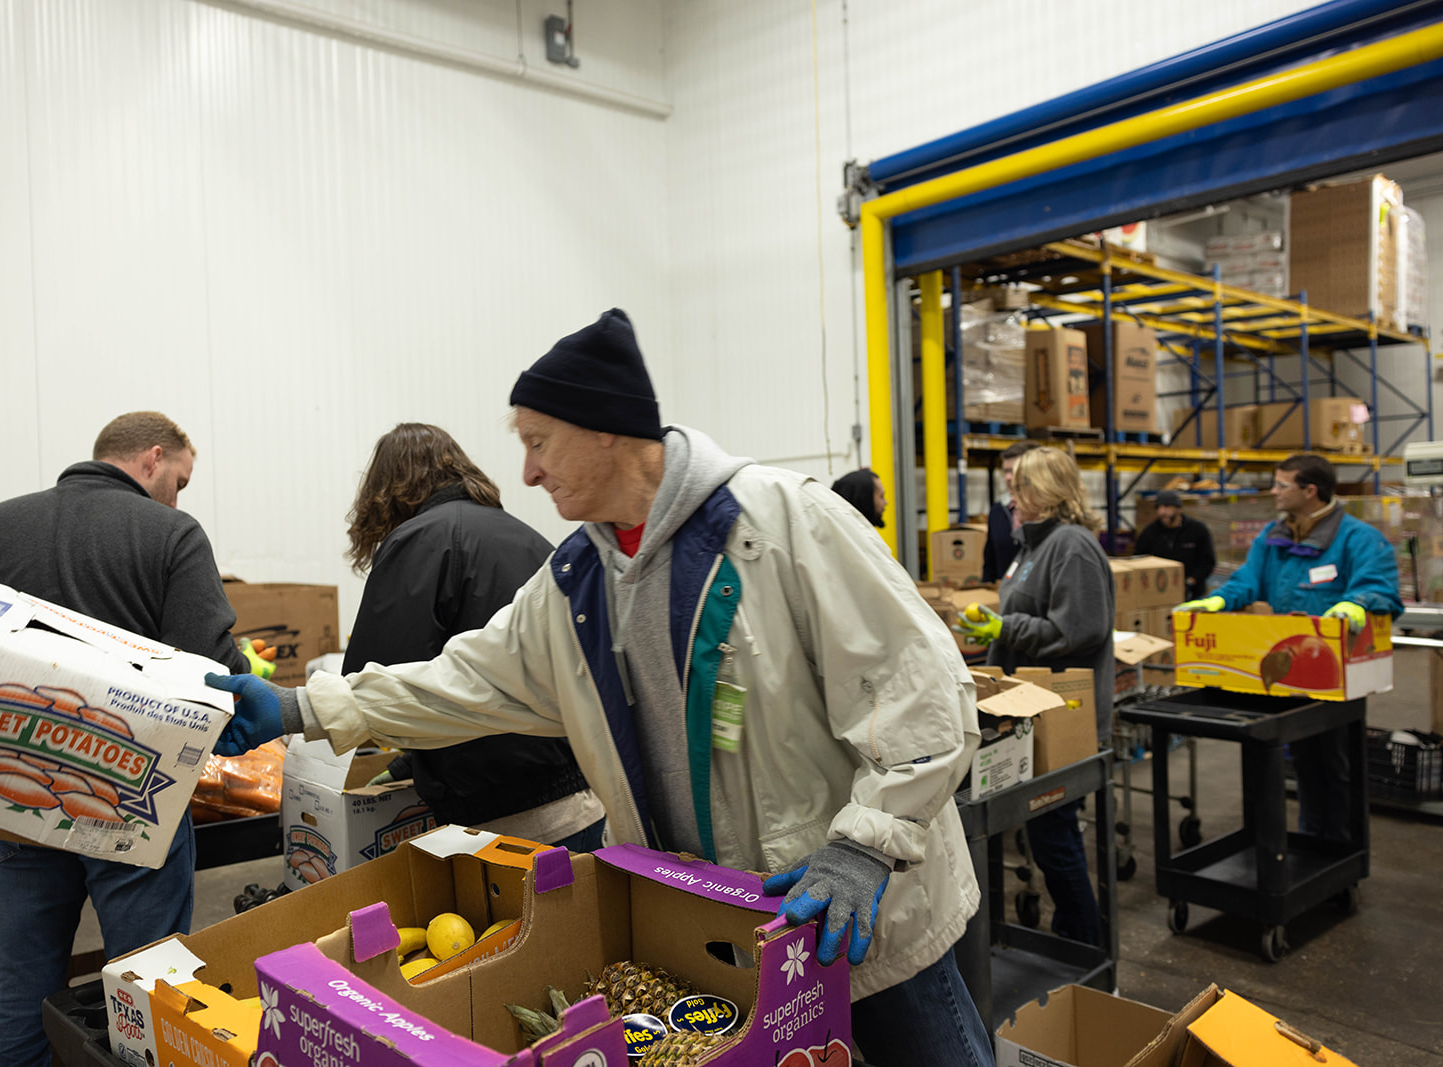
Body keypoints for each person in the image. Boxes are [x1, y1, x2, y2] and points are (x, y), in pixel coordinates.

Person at [210, 309, 992, 1067]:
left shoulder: (782, 523)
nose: (527, 471)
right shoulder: (578, 582)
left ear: (609, 428)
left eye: (540, 441)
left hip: (860, 909)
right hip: (727, 931)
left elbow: (922, 690)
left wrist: (864, 848)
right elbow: (467, 677)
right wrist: (305, 705)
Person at [0, 412, 251, 1067]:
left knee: (17, 993)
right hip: (134, 796)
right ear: (152, 457)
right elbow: (215, 671)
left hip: (18, 791)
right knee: (148, 996)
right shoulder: (171, 533)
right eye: (180, 479)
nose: (178, 494)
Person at [343, 422, 604, 850]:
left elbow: (368, 684)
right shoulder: (532, 538)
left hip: (498, 817)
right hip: (579, 796)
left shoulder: (418, 539)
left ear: (384, 490)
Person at [1177, 453, 1401, 842]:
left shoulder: (1358, 538)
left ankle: (1341, 852)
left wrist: (1356, 603)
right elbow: (1248, 580)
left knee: (1336, 764)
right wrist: (1218, 601)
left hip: (1335, 676)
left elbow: (1378, 586)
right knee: (1302, 764)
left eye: (1282, 484)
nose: (1274, 491)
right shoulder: (1273, 537)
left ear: (1310, 491)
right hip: (1287, 672)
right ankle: (1311, 843)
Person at [957, 446, 1113, 946]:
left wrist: (1007, 625)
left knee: (1055, 839)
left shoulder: (1072, 546)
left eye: (1019, 486)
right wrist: (994, 634)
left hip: (1059, 714)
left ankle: (1083, 946)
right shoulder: (1032, 546)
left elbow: (1081, 629)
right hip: (1023, 710)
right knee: (1041, 835)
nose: (1011, 497)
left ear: (1046, 491)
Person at [1133, 489, 1216, 601]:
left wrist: (1190, 582)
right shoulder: (1150, 533)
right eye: (1159, 507)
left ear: (1178, 509)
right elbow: (1139, 560)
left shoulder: (1197, 530)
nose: (1162, 511)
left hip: (1193, 595)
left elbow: (1208, 561)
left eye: (1167, 507)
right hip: (1159, 595)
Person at [982, 440, 1039, 582]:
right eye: (1005, 471)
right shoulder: (997, 511)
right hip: (1005, 595)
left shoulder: (1046, 514)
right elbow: (990, 562)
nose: (1008, 478)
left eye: (1014, 471)